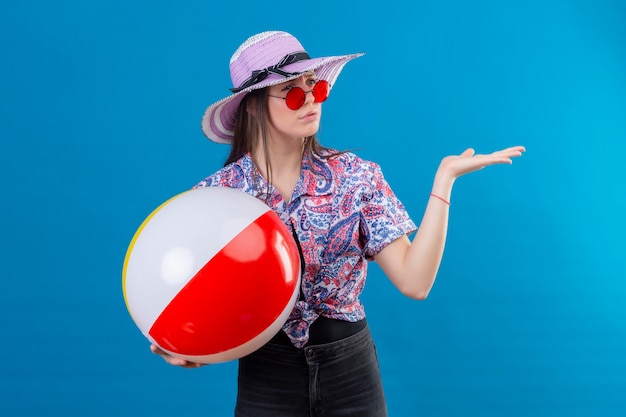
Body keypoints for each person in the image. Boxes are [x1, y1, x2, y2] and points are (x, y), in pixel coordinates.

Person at [150, 30, 525, 416]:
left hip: (352, 372)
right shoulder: (215, 199)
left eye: (315, 86)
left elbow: (416, 282)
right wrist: (189, 344)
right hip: (267, 378)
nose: (311, 99)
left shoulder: (357, 177)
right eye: (293, 92)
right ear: (252, 106)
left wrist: (444, 180)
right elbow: (205, 298)